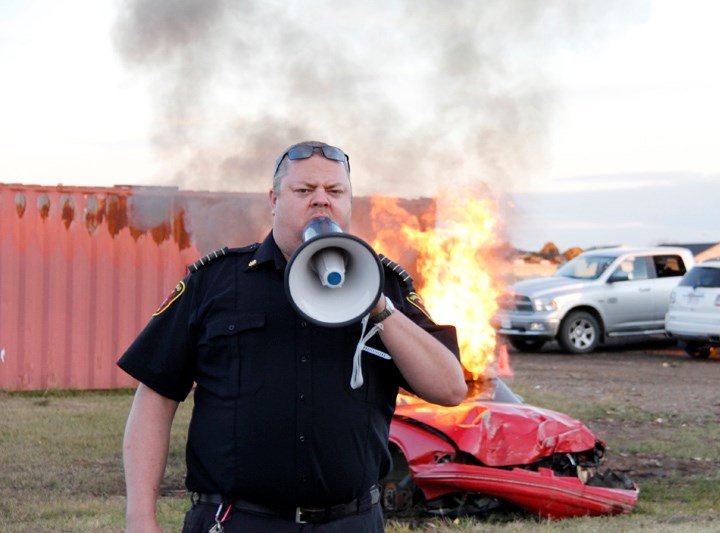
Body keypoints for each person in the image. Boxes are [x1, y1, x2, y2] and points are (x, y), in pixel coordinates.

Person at [118, 140, 467, 532]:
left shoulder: (384, 284)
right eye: (304, 191)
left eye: (335, 191)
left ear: (349, 201)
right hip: (236, 521)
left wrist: (377, 306)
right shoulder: (215, 283)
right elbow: (156, 397)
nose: (321, 201)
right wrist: (140, 518)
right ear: (274, 199)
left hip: (350, 521)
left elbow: (450, 389)